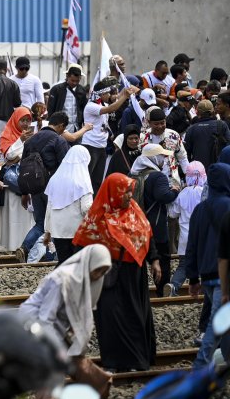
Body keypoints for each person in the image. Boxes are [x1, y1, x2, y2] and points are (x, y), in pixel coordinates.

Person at [19, 244, 113, 399]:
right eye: (98, 270)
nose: (99, 275)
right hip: (36, 324)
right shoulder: (62, 280)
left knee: (82, 368)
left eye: (104, 271)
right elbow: (45, 318)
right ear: (89, 264)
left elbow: (82, 312)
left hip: (58, 326)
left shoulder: (88, 279)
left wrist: (73, 340)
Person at [73, 173, 159, 373]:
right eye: (126, 192)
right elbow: (82, 247)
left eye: (130, 191)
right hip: (108, 278)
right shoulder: (98, 216)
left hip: (134, 276)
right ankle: (115, 363)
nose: (130, 196)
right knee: (112, 320)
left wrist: (154, 259)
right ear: (113, 193)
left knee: (136, 316)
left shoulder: (134, 211)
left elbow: (147, 235)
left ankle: (138, 361)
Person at [18, 112, 92, 262]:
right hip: (53, 188)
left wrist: (24, 193)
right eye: (63, 129)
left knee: (40, 221)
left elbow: (23, 168)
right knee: (46, 224)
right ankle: (27, 247)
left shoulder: (30, 141)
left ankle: (41, 253)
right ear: (61, 126)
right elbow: (67, 167)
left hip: (34, 188)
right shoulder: (59, 140)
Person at [187, 163, 227, 366]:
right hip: (224, 276)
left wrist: (193, 278)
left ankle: (217, 369)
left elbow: (191, 247)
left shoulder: (199, 210)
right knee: (217, 325)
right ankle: (200, 368)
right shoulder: (228, 206)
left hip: (206, 275)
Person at [131, 143, 180, 297]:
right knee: (162, 262)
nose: (164, 159)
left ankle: (140, 296)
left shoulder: (134, 174)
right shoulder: (157, 176)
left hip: (137, 224)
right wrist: (175, 191)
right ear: (154, 158)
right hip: (156, 226)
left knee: (139, 263)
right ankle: (163, 292)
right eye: (161, 156)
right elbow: (163, 196)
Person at [83, 78, 137, 192]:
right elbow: (112, 108)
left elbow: (115, 98)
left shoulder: (102, 103)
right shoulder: (91, 106)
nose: (109, 95)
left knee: (97, 180)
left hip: (101, 146)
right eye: (107, 93)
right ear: (100, 94)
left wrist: (126, 90)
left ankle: (94, 205)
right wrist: (125, 96)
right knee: (88, 179)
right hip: (91, 145)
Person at [42, 145, 94, 264]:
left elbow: (49, 208)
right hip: (77, 230)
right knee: (76, 264)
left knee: (64, 262)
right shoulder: (83, 179)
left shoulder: (55, 179)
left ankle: (55, 282)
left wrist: (47, 232)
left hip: (58, 229)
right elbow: (86, 208)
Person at [173, 161, 207, 294]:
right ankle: (207, 288)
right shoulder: (204, 192)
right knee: (205, 263)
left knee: (183, 265)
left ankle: (173, 286)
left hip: (184, 236)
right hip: (201, 235)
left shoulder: (183, 193)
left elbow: (173, 213)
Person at [47, 64, 89, 131]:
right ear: (67, 77)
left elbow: (84, 108)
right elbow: (51, 109)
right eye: (72, 80)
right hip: (60, 128)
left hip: (76, 128)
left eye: (77, 81)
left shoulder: (82, 90)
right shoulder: (57, 89)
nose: (75, 83)